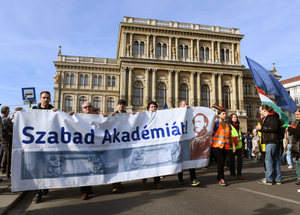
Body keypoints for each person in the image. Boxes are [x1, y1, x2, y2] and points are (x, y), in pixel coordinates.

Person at [31, 91, 57, 203]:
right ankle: (37, 193)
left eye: (47, 98)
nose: (45, 100)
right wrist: (18, 113)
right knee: (37, 169)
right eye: (44, 98)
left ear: (50, 99)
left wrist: (58, 112)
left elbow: (64, 119)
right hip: (36, 145)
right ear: (40, 99)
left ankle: (45, 185)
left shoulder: (54, 110)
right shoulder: (33, 110)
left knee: (47, 168)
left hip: (49, 145)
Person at [69, 101, 94, 200]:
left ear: (92, 108)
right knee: (84, 169)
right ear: (82, 109)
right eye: (85, 107)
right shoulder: (77, 118)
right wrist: (69, 116)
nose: (87, 108)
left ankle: (89, 186)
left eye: (89, 106)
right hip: (82, 147)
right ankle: (85, 191)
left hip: (93, 147)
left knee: (92, 169)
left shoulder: (97, 118)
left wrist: (106, 117)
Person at [109, 99, 135, 193]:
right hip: (115, 142)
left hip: (125, 142)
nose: (121, 106)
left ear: (125, 107)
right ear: (117, 106)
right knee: (115, 163)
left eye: (123, 105)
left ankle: (119, 182)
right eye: (120, 104)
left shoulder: (128, 115)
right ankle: (115, 184)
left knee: (122, 163)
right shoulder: (113, 116)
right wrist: (107, 117)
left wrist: (135, 116)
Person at [256, 105, 282, 185]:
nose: (260, 112)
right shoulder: (270, 116)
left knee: (268, 160)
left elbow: (273, 128)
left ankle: (269, 179)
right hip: (272, 140)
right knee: (275, 160)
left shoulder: (271, 117)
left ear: (264, 110)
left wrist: (261, 128)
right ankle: (277, 179)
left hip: (271, 141)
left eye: (260, 111)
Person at [177, 100, 201, 187]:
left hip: (188, 140)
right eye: (184, 104)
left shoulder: (189, 114)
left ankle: (193, 179)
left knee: (191, 160)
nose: (186, 105)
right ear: (180, 106)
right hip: (180, 141)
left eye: (186, 104)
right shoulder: (177, 114)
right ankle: (180, 178)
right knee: (181, 160)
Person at [142, 101, 163, 189]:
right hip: (146, 143)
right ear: (148, 108)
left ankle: (156, 181)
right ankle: (144, 175)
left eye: (155, 107)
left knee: (156, 162)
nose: (154, 108)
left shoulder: (160, 117)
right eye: (152, 107)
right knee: (145, 161)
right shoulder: (143, 117)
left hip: (155, 143)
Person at [212, 108, 235, 186]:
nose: (225, 115)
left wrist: (233, 145)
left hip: (225, 146)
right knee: (221, 161)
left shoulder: (228, 124)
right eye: (223, 114)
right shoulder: (215, 123)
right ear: (218, 115)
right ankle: (221, 178)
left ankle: (219, 177)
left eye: (225, 114)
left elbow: (230, 136)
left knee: (222, 162)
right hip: (216, 146)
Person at [228, 113, 245, 180]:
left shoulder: (238, 125)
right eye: (234, 117)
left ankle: (239, 174)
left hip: (239, 146)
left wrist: (243, 144)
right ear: (231, 119)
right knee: (231, 161)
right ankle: (232, 174)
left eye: (236, 117)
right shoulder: (229, 126)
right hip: (232, 146)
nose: (236, 118)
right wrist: (232, 145)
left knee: (240, 160)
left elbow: (240, 135)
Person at [288, 108, 300, 185]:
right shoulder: (294, 122)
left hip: (299, 145)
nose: (296, 116)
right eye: (295, 114)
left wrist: (290, 129)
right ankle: (299, 178)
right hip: (296, 145)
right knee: (297, 162)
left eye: (298, 114)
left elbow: (297, 134)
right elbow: (291, 134)